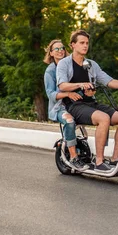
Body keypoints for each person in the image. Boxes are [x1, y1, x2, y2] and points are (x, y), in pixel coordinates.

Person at [56, 30, 118, 172]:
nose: (85, 46)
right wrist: (80, 85)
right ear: (72, 45)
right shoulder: (64, 64)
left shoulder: (91, 64)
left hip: (91, 103)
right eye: (81, 43)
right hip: (74, 105)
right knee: (104, 119)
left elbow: (109, 81)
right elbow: (62, 85)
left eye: (87, 43)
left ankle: (115, 160)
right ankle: (99, 162)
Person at [43, 39, 89, 172]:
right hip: (59, 107)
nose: (60, 50)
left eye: (62, 48)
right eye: (56, 49)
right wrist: (68, 94)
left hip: (76, 103)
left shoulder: (70, 65)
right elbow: (51, 94)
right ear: (51, 53)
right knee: (69, 121)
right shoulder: (50, 71)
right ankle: (74, 157)